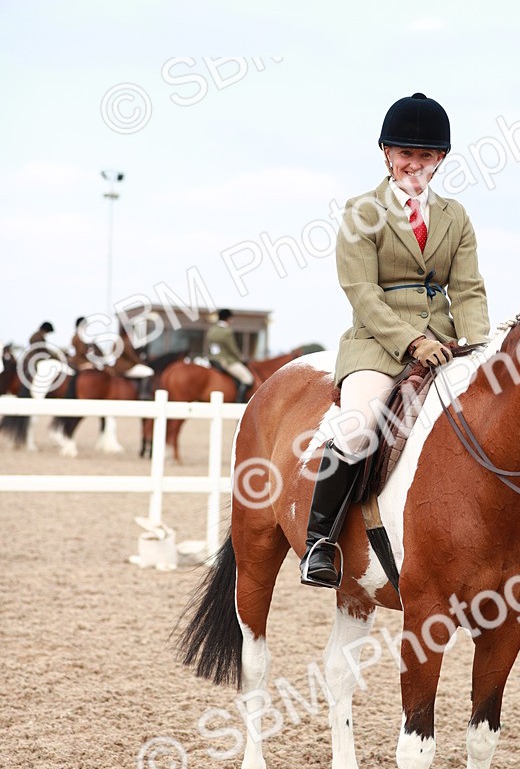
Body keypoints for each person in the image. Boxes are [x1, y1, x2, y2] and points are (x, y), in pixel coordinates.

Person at [300, 91, 491, 588]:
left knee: (499, 415)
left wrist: (481, 345)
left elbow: (468, 288)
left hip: (448, 344)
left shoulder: (455, 216)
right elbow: (361, 292)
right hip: (378, 345)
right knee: (359, 425)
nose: (415, 163)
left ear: (441, 160)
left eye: (425, 156)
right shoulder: (362, 210)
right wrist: (412, 342)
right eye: (406, 153)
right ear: (386, 152)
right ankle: (319, 540)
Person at [206, 309, 254, 403]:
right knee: (248, 379)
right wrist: (240, 359)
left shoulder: (212, 329)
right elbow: (232, 349)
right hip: (225, 360)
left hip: (212, 359)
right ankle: (239, 402)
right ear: (228, 318)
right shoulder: (227, 331)